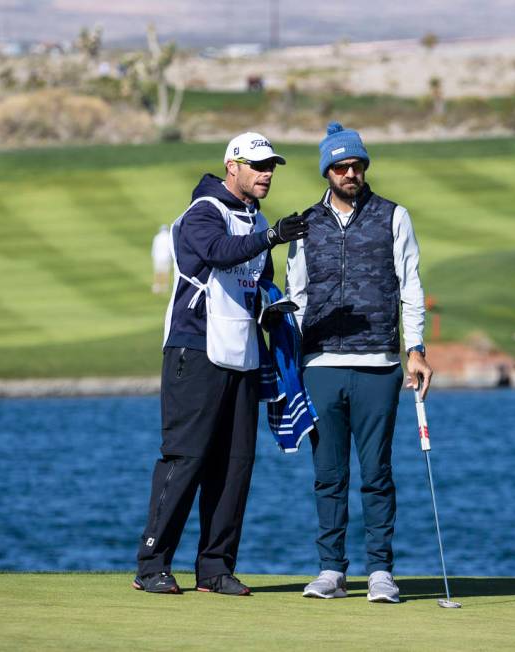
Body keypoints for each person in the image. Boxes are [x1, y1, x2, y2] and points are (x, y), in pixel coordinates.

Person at [134, 132, 307, 596]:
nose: (266, 173)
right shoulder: (202, 212)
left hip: (244, 355)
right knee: (186, 459)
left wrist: (275, 306)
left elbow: (258, 281)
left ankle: (214, 568)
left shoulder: (258, 217)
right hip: (194, 350)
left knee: (235, 466)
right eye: (257, 165)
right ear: (232, 166)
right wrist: (269, 237)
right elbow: (217, 253)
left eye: (271, 165)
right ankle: (152, 564)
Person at [287, 122, 433, 603]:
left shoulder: (394, 216)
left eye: (358, 164)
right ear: (327, 170)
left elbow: (410, 287)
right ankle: (331, 570)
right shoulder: (305, 224)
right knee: (329, 474)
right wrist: (293, 356)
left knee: (377, 474)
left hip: (380, 364)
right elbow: (297, 296)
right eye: (342, 165)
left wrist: (416, 350)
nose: (351, 172)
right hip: (321, 365)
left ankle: (380, 572)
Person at [150, 225, 172, 293]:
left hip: (158, 257)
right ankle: (165, 286)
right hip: (166, 257)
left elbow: (154, 248)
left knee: (158, 272)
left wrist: (153, 256)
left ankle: (157, 286)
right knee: (166, 272)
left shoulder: (157, 237)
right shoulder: (169, 237)